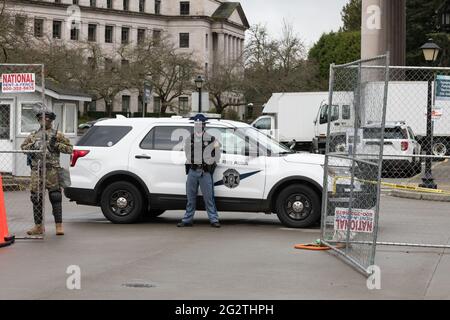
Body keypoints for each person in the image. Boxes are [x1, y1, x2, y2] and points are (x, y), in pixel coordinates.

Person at [21, 107, 73, 236]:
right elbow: (23, 148)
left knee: (55, 197)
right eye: (42, 118)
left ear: (51, 120)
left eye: (48, 118)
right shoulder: (33, 136)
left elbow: (70, 148)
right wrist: (32, 146)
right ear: (38, 119)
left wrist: (56, 145)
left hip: (52, 170)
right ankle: (38, 226)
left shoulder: (57, 134)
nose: (45, 120)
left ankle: (58, 226)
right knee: (36, 198)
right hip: (37, 170)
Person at [178, 115, 221, 228]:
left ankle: (214, 219)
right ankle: (187, 219)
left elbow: (217, 155)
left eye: (200, 124)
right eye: (196, 124)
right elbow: (187, 153)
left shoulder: (211, 139)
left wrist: (208, 162)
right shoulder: (189, 139)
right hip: (193, 170)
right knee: (190, 198)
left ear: (204, 125)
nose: (198, 126)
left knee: (209, 198)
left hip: (205, 172)